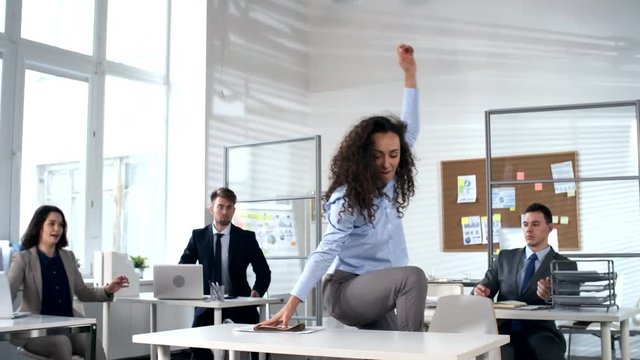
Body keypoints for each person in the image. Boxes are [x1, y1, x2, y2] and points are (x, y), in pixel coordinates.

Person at [260, 43, 427, 332]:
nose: (387, 163)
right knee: (413, 278)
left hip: (378, 290)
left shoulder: (391, 181)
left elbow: (409, 129)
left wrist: (410, 74)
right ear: (363, 156)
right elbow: (325, 251)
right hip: (345, 291)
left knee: (388, 344)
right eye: (377, 156)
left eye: (394, 154)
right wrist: (291, 303)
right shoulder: (348, 199)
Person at [8, 205, 130, 360]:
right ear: (39, 226)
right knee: (61, 344)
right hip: (35, 330)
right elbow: (8, 293)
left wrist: (108, 290)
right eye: (51, 224)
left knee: (92, 343)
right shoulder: (23, 258)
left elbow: (83, 292)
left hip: (67, 325)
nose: (57, 229)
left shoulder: (68, 257)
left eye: (61, 225)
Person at [179, 187, 271, 360]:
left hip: (240, 301)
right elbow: (184, 267)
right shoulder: (198, 236)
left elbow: (263, 271)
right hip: (208, 302)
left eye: (229, 207)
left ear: (233, 210)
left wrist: (257, 291)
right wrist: (189, 291)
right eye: (220, 206)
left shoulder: (246, 238)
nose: (225, 211)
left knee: (260, 344)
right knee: (197, 345)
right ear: (211, 209)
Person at [473, 202, 574, 360]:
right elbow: (483, 288)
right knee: (499, 352)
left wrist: (552, 295)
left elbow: (573, 299)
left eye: (535, 224)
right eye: (525, 224)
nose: (529, 229)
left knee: (547, 351)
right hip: (503, 330)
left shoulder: (564, 264)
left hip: (541, 331)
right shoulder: (504, 258)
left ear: (550, 228)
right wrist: (479, 293)